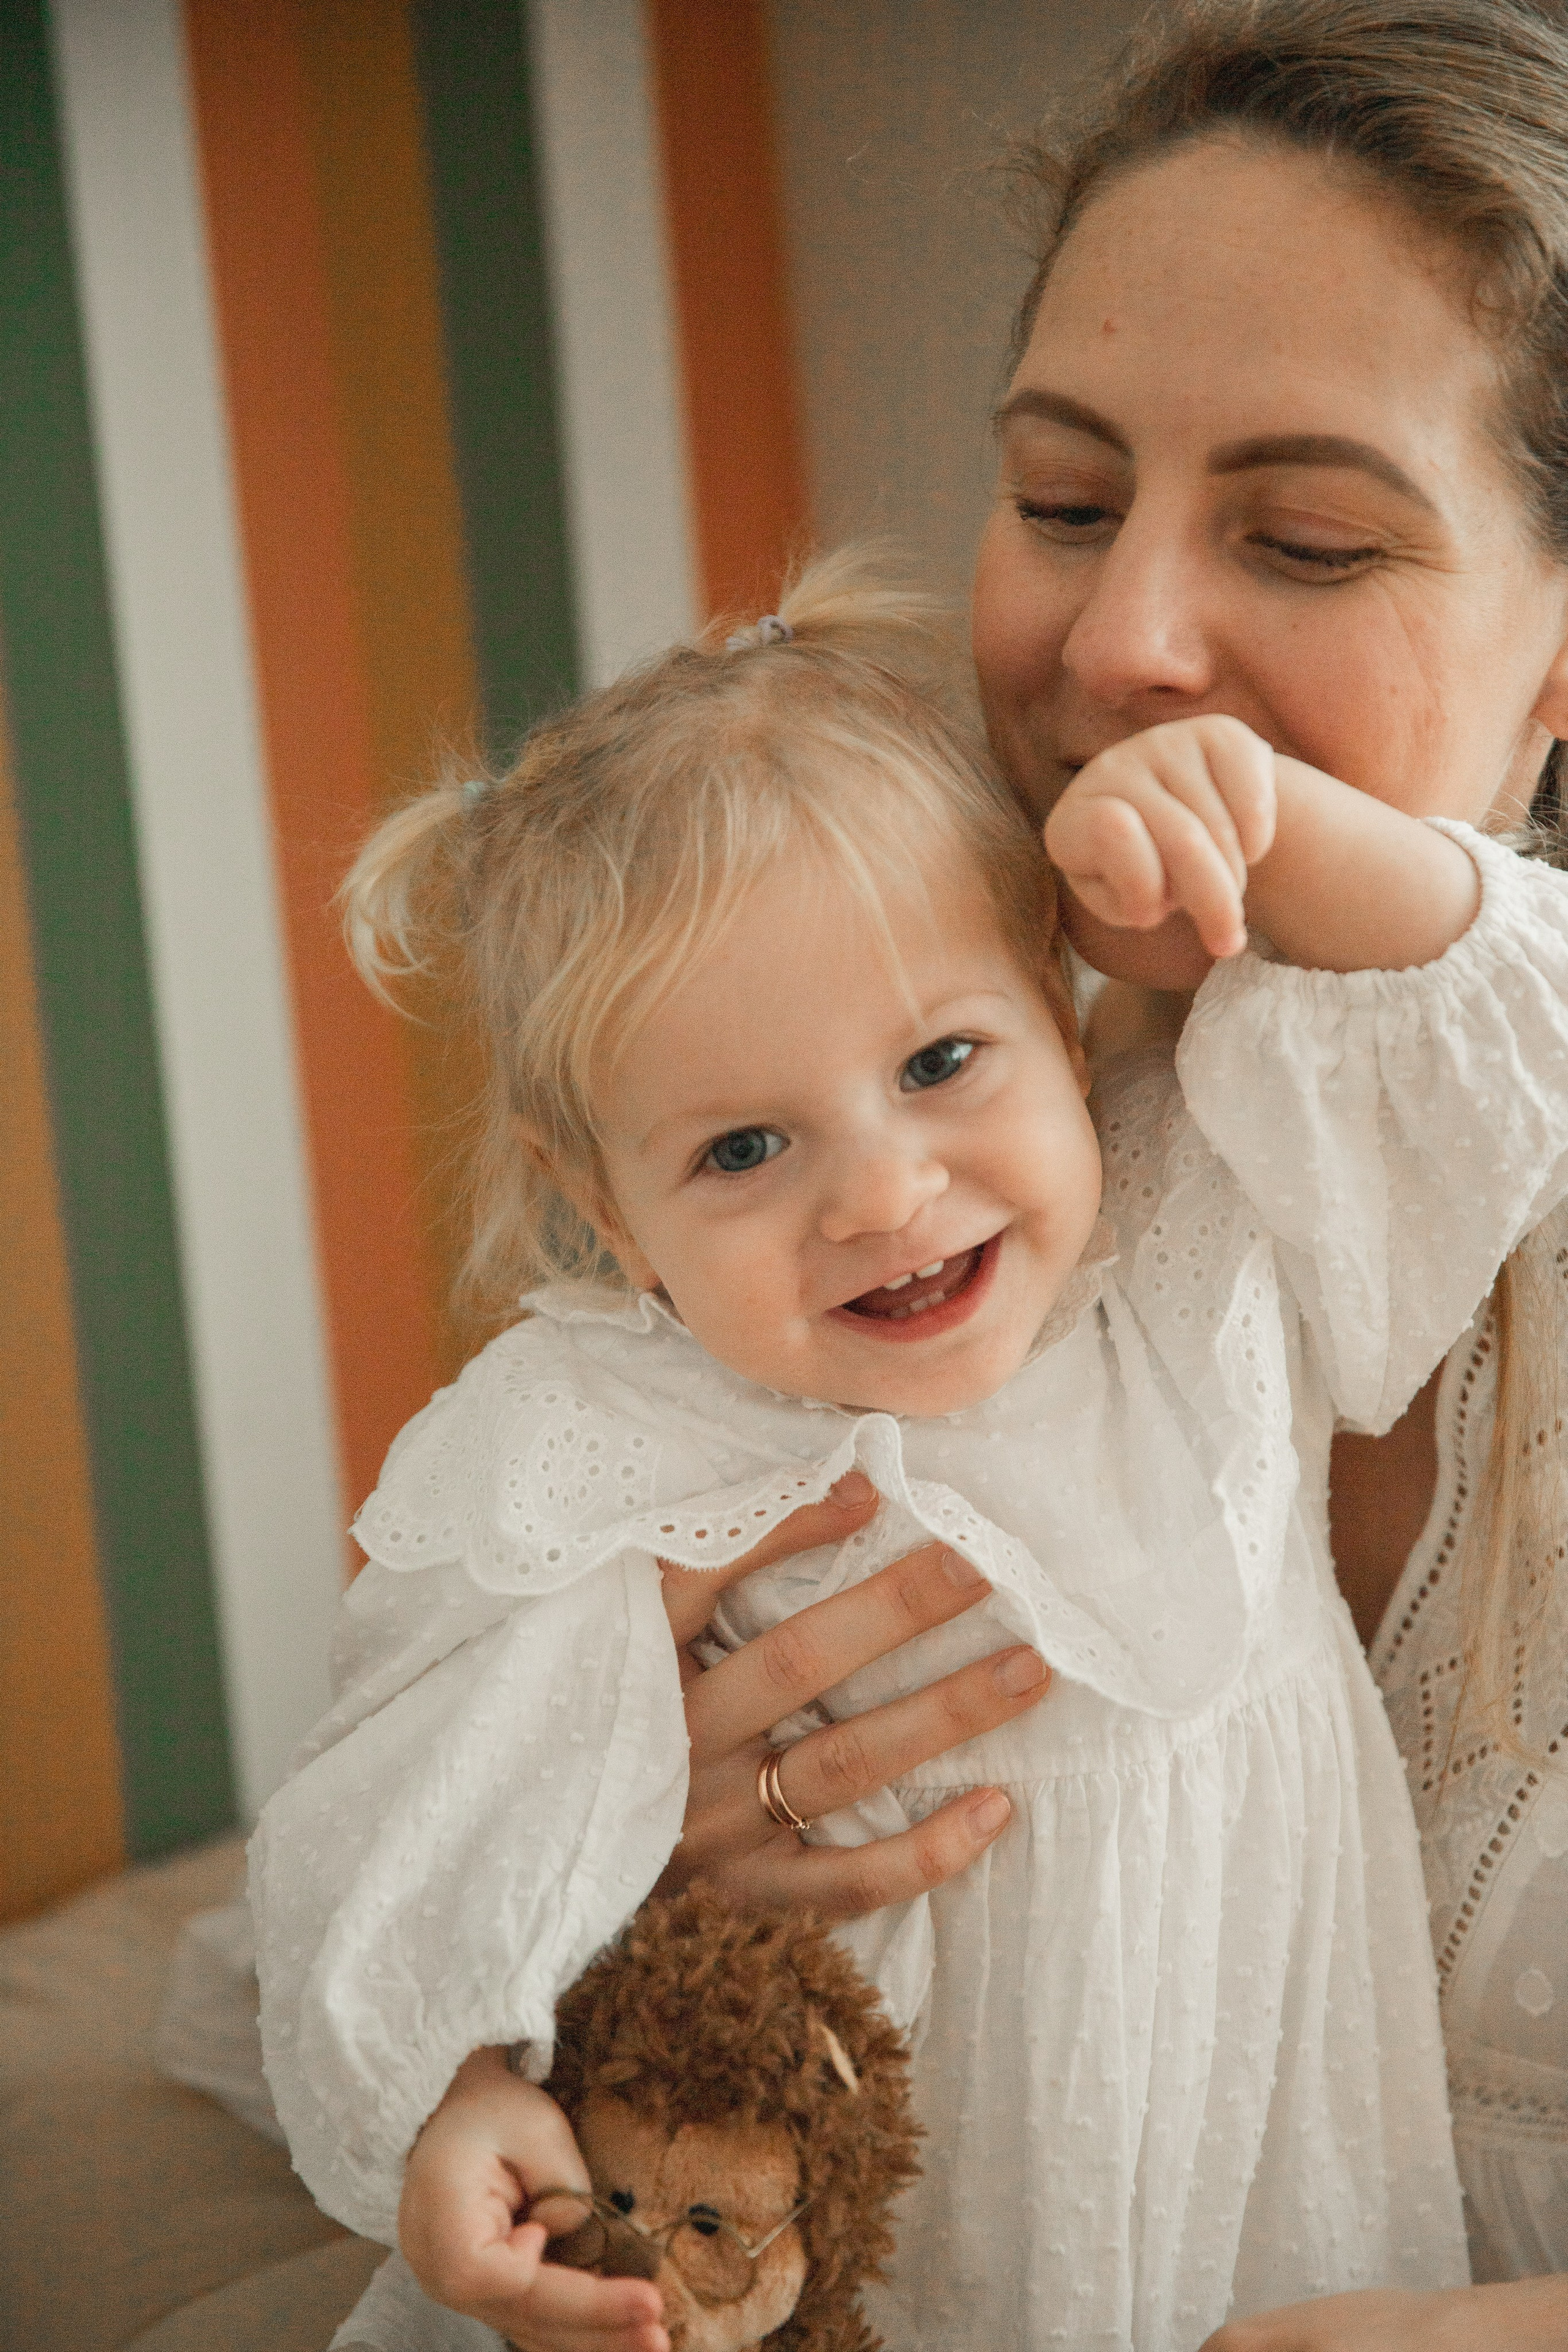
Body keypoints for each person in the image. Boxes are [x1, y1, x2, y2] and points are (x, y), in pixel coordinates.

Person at [249, 543, 1568, 2352]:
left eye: (944, 1060)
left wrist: (1262, 824)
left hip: (1252, 2162)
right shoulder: (613, 1430)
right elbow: (406, 1816)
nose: (880, 1193)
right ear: (604, 1206)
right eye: (740, 1153)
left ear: (1053, 986)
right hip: (855, 2213)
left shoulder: (1191, 1237)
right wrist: (463, 2083)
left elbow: (1485, 1032)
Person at [664, 5, 1568, 2345]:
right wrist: (646, 1863)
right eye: (1063, 501)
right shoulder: (922, 1155)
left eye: (1303, 537)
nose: (1123, 638)